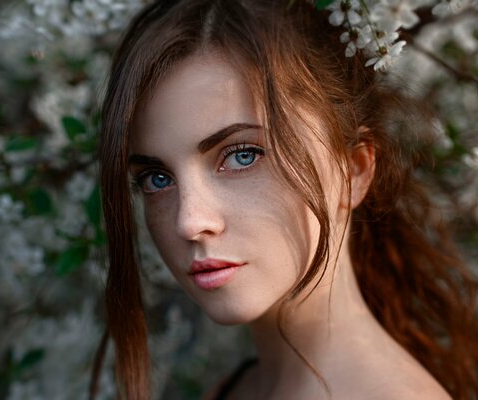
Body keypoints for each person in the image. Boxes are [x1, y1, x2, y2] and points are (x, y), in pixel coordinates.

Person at [90, 1, 478, 399]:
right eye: (156, 179)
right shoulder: (243, 388)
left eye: (243, 155)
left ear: (354, 170)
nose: (188, 222)